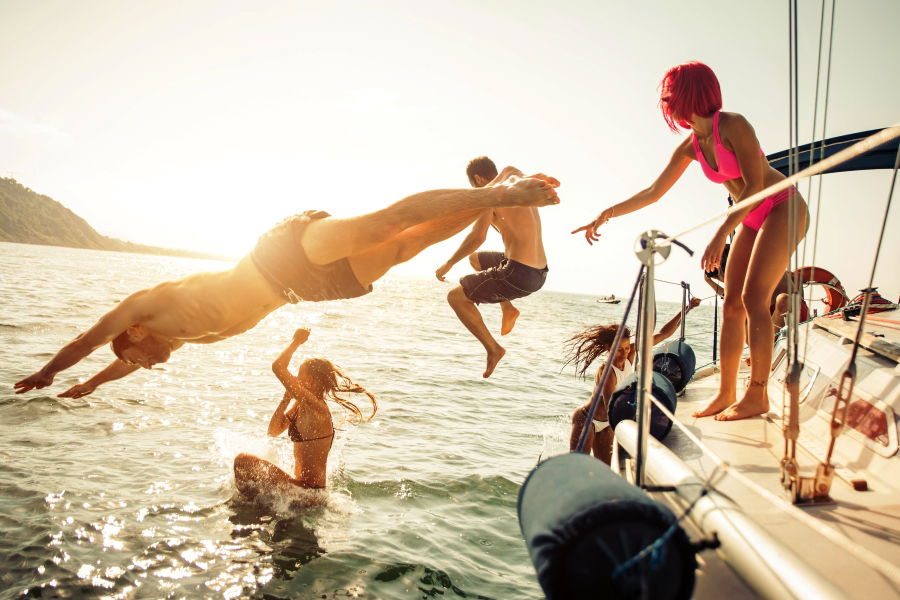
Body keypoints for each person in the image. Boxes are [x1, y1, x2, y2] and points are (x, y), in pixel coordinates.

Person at [14, 175, 560, 397]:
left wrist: (50, 370)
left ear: (134, 332)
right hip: (304, 290)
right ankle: (488, 198)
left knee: (384, 225)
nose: (150, 365)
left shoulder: (150, 305)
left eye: (141, 358)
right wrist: (90, 387)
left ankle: (504, 192)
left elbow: (90, 343)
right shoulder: (183, 338)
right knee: (404, 247)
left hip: (277, 255)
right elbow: (119, 361)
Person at [573, 61, 808, 421]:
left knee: (753, 299)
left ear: (687, 93)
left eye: (669, 94)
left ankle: (757, 394)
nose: (666, 102)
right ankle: (727, 392)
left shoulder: (733, 125)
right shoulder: (691, 146)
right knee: (731, 305)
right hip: (748, 217)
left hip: (781, 207)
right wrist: (607, 212)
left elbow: (757, 184)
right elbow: (654, 191)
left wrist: (719, 235)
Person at [435, 157, 552, 378]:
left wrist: (448, 264)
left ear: (478, 179)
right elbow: (518, 172)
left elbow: (477, 237)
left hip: (518, 273)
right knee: (476, 259)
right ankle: (508, 308)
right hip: (540, 272)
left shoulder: (491, 196)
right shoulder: (513, 175)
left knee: (456, 297)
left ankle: (493, 349)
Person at [233, 328, 376, 498]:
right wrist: (286, 399)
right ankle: (254, 505)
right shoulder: (301, 406)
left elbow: (278, 367)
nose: (296, 380)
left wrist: (296, 342)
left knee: (243, 461)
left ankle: (249, 505)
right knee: (245, 467)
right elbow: (273, 431)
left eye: (300, 376)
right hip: (301, 490)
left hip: (308, 492)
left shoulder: (318, 407)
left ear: (313, 381)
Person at [566, 298, 701, 463]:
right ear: (609, 349)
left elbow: (663, 334)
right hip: (588, 419)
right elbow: (612, 407)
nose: (624, 354)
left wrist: (687, 308)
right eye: (618, 350)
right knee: (579, 465)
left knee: (607, 468)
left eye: (626, 348)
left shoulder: (631, 353)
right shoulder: (607, 371)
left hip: (606, 423)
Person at [704, 243, 809, 331]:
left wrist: (712, 281)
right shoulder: (764, 263)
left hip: (782, 316)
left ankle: (758, 351)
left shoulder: (746, 279)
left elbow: (732, 298)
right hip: (801, 314)